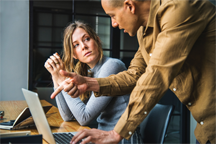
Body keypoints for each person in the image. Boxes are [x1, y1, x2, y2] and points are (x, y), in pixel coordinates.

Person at [51, 0, 216, 144]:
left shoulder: (178, 10)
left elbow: (156, 75)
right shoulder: (143, 32)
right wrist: (88, 83)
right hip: (206, 129)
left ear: (129, 6)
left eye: (113, 15)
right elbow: (134, 75)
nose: (113, 23)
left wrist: (117, 133)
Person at [44, 21, 143, 144]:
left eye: (86, 39)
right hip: (102, 138)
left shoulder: (112, 66)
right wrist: (55, 76)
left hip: (123, 139)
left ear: (97, 40)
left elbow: (84, 117)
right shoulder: (89, 72)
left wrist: (62, 80)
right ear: (74, 55)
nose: (83, 46)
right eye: (76, 45)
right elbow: (67, 117)